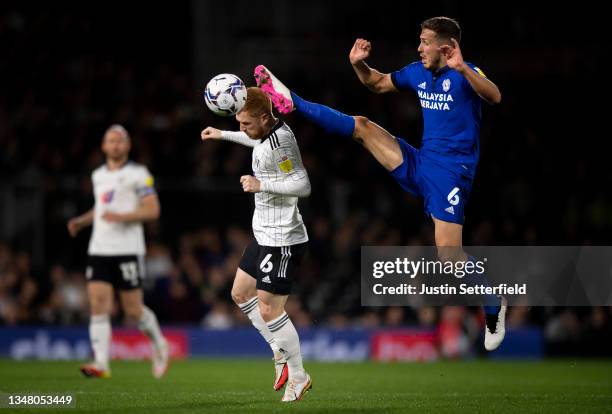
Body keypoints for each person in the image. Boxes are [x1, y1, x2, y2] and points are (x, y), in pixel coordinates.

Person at [255, 16, 507, 351]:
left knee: (449, 256)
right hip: (421, 162)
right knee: (362, 126)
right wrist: (360, 66)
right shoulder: (417, 72)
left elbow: (495, 96)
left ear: (445, 47)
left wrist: (463, 69)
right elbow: (377, 83)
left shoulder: (466, 74)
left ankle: (493, 304)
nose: (419, 48)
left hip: (451, 173)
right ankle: (293, 101)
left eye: (425, 42)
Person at [201, 87, 313, 402]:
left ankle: (299, 376)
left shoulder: (283, 142)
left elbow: (302, 185)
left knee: (269, 308)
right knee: (239, 292)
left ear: (265, 117)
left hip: (282, 239)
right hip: (264, 234)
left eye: (246, 123)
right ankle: (278, 351)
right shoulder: (265, 134)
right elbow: (255, 139)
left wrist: (261, 184)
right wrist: (222, 134)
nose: (243, 129)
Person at [67, 124, 169, 378]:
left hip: (127, 249)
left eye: (120, 140)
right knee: (98, 303)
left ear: (127, 145)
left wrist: (123, 216)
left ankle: (160, 344)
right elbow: (101, 209)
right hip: (99, 248)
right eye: (110, 141)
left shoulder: (139, 174)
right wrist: (82, 220)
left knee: (133, 310)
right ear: (103, 146)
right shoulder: (98, 175)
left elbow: (152, 210)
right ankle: (101, 363)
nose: (115, 145)